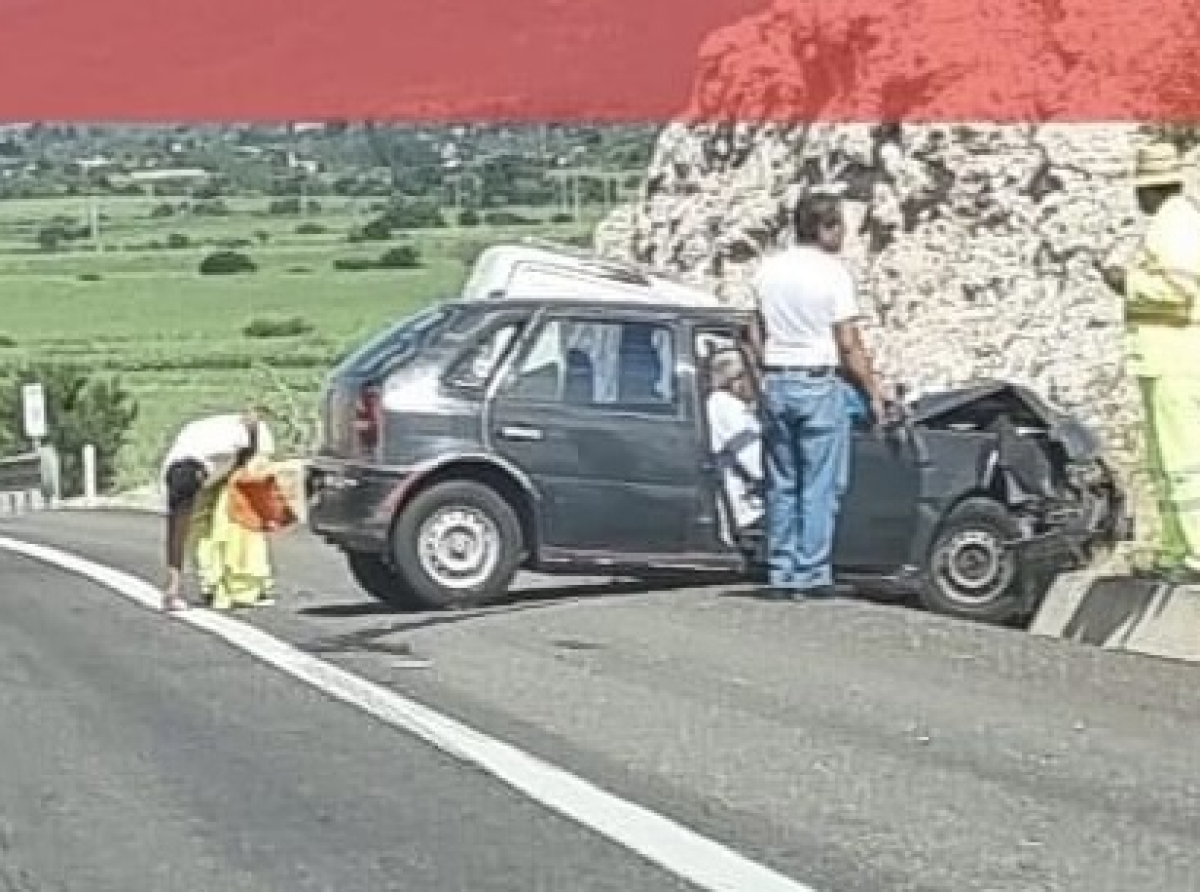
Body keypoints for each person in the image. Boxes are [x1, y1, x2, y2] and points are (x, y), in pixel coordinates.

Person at [748, 193, 886, 599]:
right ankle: (811, 573)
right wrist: (873, 389)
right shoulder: (832, 275)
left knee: (782, 482)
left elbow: (753, 331)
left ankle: (780, 572)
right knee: (821, 484)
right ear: (825, 229)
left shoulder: (768, 271)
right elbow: (848, 342)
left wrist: (765, 371)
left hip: (776, 382)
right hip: (817, 382)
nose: (844, 233)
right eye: (840, 225)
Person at [1097, 141, 1200, 584]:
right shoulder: (1175, 221)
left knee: (1182, 462)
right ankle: (1176, 552)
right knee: (1166, 463)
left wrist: (1127, 281)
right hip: (1164, 361)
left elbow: (1181, 291)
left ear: (1149, 187)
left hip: (1175, 360)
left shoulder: (1174, 227)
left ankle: (1194, 555)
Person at [159, 406, 274, 611]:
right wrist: (172, 587)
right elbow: (175, 534)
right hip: (207, 459)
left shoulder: (226, 445)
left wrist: (242, 460)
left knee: (233, 518)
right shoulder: (172, 474)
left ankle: (247, 585)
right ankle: (212, 583)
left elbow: (251, 429)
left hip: (252, 447)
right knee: (198, 525)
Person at [706, 349, 765, 534]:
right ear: (736, 380)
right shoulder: (729, 408)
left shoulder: (720, 403)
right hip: (744, 508)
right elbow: (756, 465)